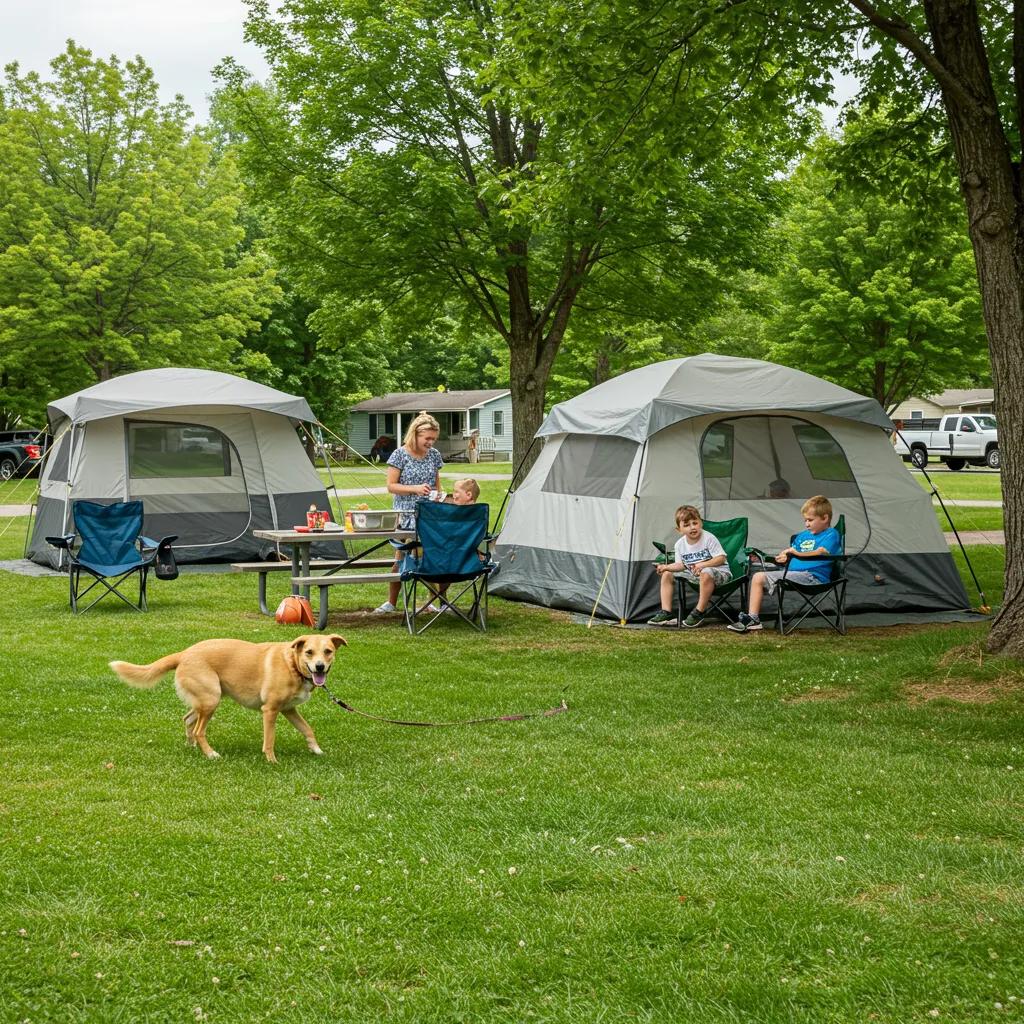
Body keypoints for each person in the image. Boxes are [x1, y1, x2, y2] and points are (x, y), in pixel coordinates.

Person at [727, 494, 842, 633]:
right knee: (757, 575)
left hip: (813, 578)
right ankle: (753, 619)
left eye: (810, 520)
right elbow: (791, 552)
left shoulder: (831, 534)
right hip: (792, 573)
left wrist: (796, 554)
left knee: (759, 577)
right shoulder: (803, 536)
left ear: (825, 518)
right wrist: (783, 556)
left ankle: (752, 619)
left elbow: (822, 552)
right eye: (805, 520)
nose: (806, 524)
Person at [373, 412, 443, 614]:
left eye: (433, 439)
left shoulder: (434, 455)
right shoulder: (400, 454)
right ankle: (391, 602)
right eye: (427, 438)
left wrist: (438, 496)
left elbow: (436, 483)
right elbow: (391, 486)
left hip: (428, 513)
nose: (430, 442)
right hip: (405, 514)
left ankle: (437, 600)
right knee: (401, 558)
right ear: (415, 434)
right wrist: (415, 488)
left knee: (432, 558)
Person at [648, 505, 732, 628]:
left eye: (695, 523)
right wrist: (666, 567)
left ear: (701, 523)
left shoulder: (708, 538)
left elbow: (721, 558)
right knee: (667, 574)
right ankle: (666, 612)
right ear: (679, 529)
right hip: (694, 574)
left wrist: (703, 564)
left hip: (720, 574)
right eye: (686, 525)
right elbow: (681, 565)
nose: (692, 527)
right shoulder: (680, 545)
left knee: (706, 571)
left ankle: (699, 611)